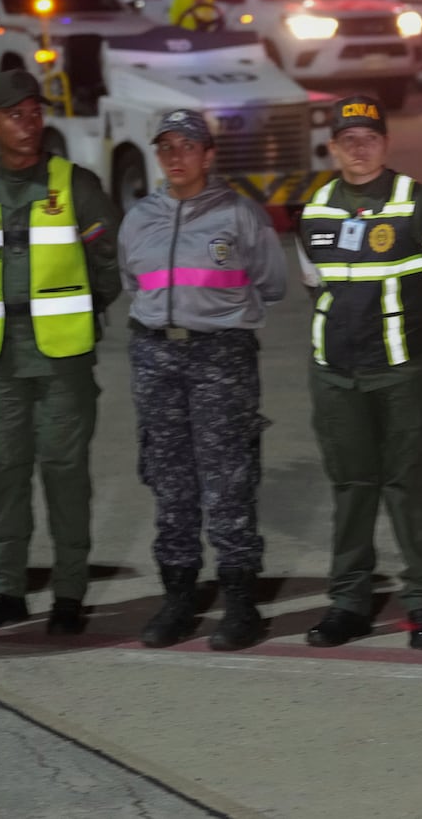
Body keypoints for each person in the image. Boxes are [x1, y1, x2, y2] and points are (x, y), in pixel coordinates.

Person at [296, 95, 422, 650]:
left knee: (410, 486)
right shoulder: (315, 208)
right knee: (351, 488)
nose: (360, 148)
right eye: (349, 140)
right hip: (336, 376)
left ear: (386, 144)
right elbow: (312, 287)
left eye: (370, 138)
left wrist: (409, 330)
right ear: (332, 148)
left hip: (403, 374)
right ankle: (348, 600)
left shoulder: (418, 203)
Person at [0, 69, 121, 636]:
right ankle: (5, 589)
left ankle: (69, 592)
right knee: (4, 471)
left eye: (34, 112)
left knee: (64, 473)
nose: (28, 123)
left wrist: (75, 310)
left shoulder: (76, 184)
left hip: (64, 358)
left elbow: (108, 267)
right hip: (3, 357)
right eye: (15, 114)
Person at [119, 109, 288, 651]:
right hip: (156, 356)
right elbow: (132, 282)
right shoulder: (138, 218)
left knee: (228, 480)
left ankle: (240, 602)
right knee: (170, 482)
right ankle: (179, 597)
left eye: (187, 146)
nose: (175, 156)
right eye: (165, 146)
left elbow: (273, 281)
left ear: (208, 155)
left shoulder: (240, 215)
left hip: (221, 357)